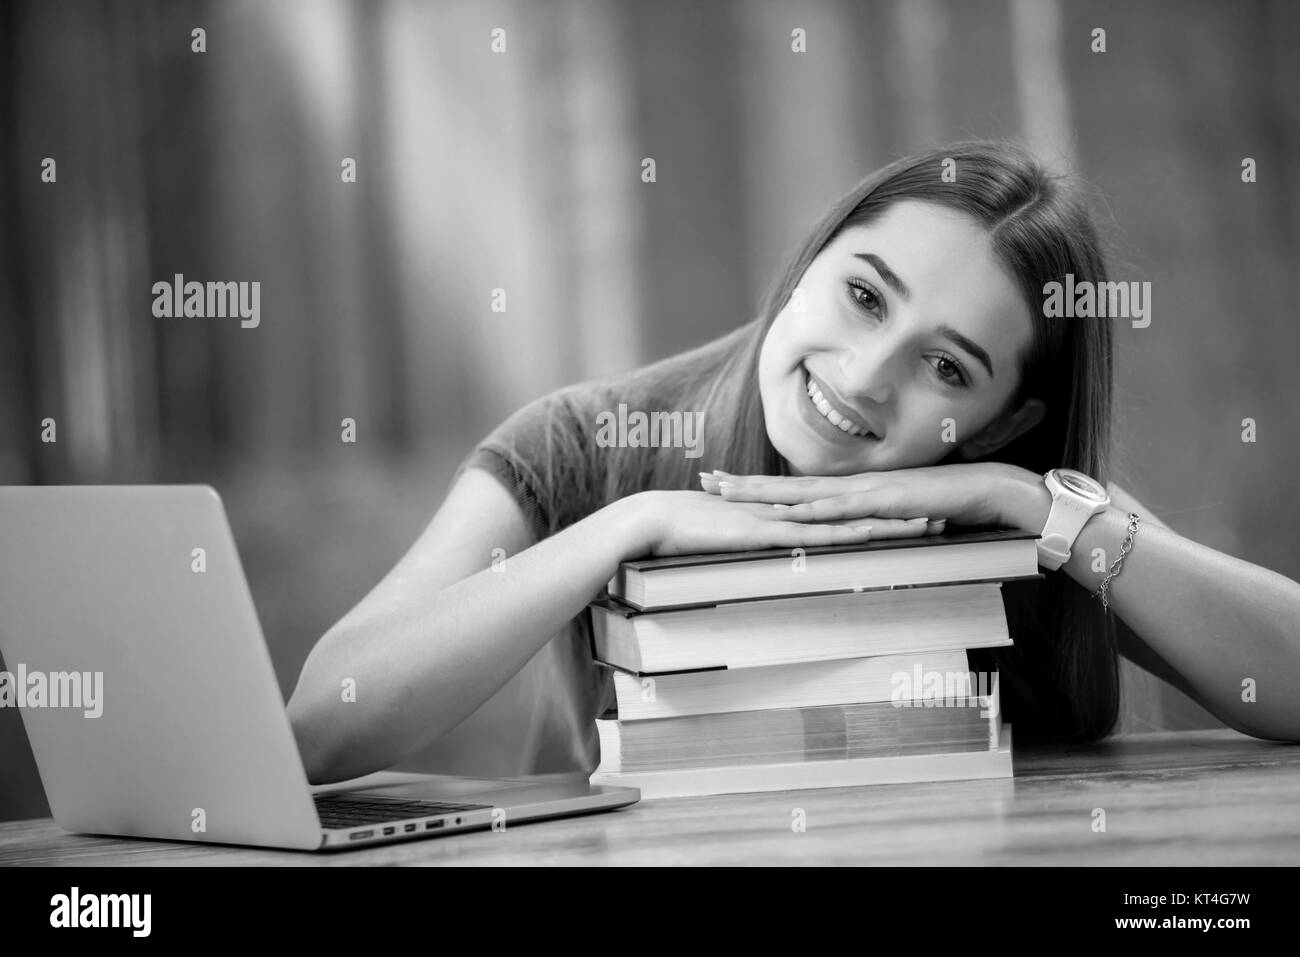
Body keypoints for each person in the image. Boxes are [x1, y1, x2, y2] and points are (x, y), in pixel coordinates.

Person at [287, 140, 1300, 785]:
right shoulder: (587, 440)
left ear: (998, 423)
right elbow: (321, 729)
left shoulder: (1018, 495)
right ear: (811, 257)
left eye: (945, 366)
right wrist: (627, 530)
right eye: (864, 295)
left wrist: (1022, 503)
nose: (863, 378)